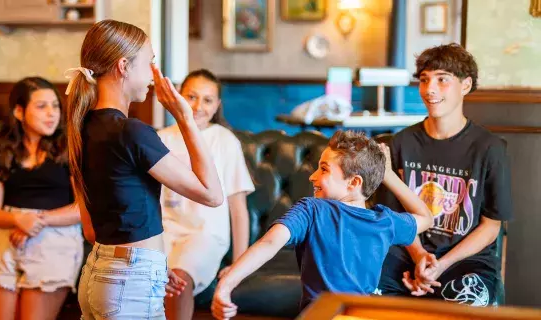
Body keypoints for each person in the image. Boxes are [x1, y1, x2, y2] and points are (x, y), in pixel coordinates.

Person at [64, 20, 224, 319]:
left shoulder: (80, 128)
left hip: (99, 273)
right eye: (149, 62)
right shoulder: (132, 132)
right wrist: (185, 118)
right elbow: (212, 195)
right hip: (128, 281)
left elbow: (90, 229)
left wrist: (155, 266)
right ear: (123, 66)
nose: (153, 74)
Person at [211, 130, 434, 319]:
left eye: (324, 169)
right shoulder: (385, 221)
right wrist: (389, 176)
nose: (312, 176)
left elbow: (270, 242)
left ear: (354, 182)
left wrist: (226, 284)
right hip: (361, 313)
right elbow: (425, 216)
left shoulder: (312, 209)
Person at [376, 43, 512, 306]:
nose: (430, 90)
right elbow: (394, 218)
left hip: (465, 260)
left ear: (465, 85)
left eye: (442, 79)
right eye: (425, 80)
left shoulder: (490, 148)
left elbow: (491, 226)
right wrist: (419, 258)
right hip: (406, 254)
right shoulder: (401, 143)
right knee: (361, 293)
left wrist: (441, 264)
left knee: (468, 302)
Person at [0, 77, 83, 320]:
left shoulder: (69, 148)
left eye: (55, 106)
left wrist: (35, 221)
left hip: (56, 238)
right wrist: (18, 219)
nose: (52, 114)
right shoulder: (1, 150)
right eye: (42, 106)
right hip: (7, 236)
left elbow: (81, 208)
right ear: (19, 111)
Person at [159, 69, 254, 320]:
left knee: (177, 282)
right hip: (163, 231)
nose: (198, 106)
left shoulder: (225, 141)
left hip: (205, 234)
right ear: (178, 95)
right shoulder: (160, 138)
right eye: (191, 96)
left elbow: (238, 208)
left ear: (217, 106)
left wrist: (238, 264)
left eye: (208, 100)